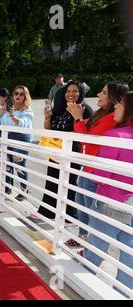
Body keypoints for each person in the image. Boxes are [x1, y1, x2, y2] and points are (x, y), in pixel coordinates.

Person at [65, 81, 129, 247]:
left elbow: (87, 138)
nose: (99, 95)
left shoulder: (111, 118)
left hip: (94, 170)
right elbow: (84, 130)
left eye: (103, 92)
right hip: (87, 167)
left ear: (114, 98)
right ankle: (83, 238)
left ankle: (90, 244)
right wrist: (77, 116)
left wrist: (78, 118)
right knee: (81, 207)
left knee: (91, 211)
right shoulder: (101, 113)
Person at [83, 91, 133, 293]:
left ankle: (83, 287)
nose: (116, 107)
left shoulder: (114, 136)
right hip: (131, 204)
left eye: (120, 104)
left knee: (95, 250)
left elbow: (99, 175)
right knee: (129, 259)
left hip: (109, 203)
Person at [37, 81, 93, 220]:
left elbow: (85, 133)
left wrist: (77, 116)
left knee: (69, 182)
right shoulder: (60, 108)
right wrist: (48, 117)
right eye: (68, 91)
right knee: (52, 180)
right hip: (56, 150)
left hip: (72, 152)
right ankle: (47, 212)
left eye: (75, 91)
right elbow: (48, 129)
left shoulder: (85, 109)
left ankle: (68, 215)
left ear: (81, 93)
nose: (71, 94)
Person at [0, 86, 34, 201]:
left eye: (21, 94)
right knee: (7, 164)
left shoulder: (27, 109)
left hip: (21, 139)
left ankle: (23, 190)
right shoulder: (10, 107)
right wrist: (3, 108)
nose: (18, 96)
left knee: (19, 165)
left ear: (25, 96)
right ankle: (7, 188)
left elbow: (23, 124)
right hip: (7, 137)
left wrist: (12, 115)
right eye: (16, 93)